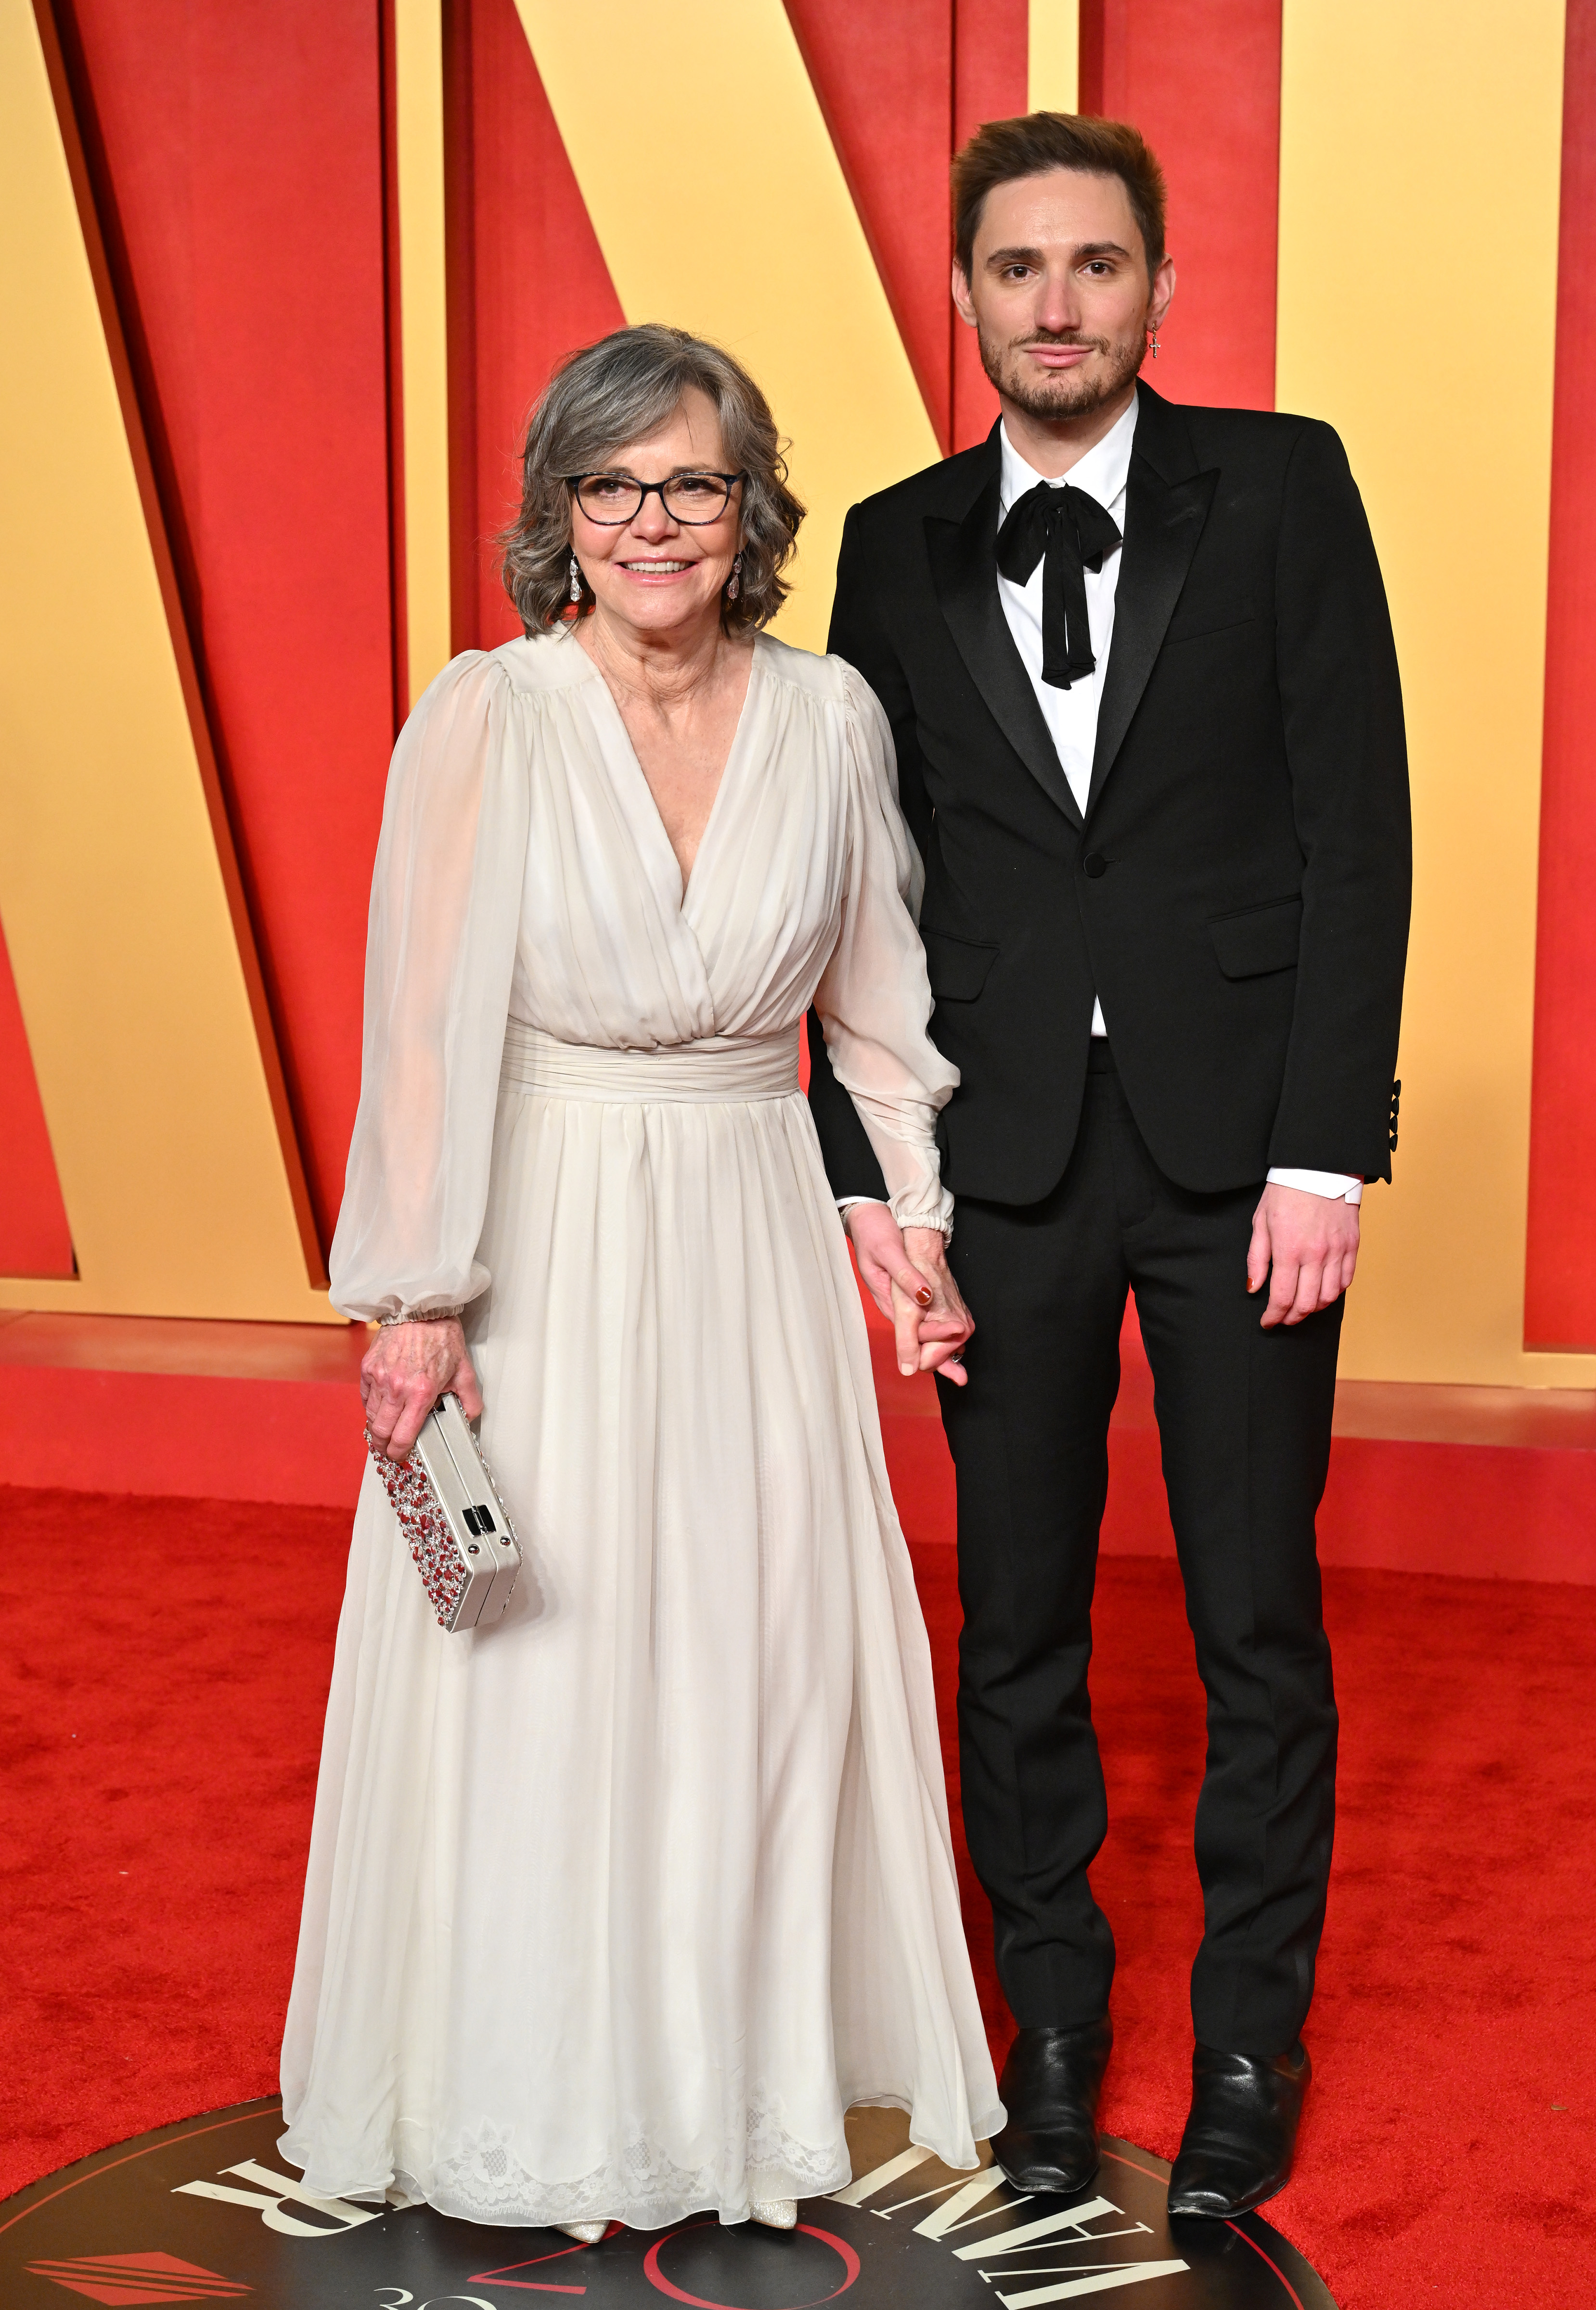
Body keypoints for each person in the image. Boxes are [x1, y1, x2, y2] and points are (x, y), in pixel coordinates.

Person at [278, 323, 1004, 2242]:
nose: (654, 523)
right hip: (554, 1234)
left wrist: (908, 1228)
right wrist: (421, 1294)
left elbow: (878, 1017)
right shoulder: (490, 717)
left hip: (752, 1230)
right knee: (560, 1669)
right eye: (612, 487)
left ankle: (728, 2099)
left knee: (752, 1666)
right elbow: (426, 1030)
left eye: (691, 482)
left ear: (747, 503)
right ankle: (551, 2101)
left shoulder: (833, 717)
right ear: (560, 516)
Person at [808, 111, 1410, 2219]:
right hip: (1002, 1168)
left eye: (1093, 265)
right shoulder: (887, 545)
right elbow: (853, 892)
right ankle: (1048, 2034)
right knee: (1020, 1630)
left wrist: (1329, 1150)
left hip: (1247, 1156)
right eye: (1014, 269)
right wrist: (875, 1182)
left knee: (1258, 1616)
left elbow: (1361, 828)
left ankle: (1253, 2034)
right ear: (964, 297)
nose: (1054, 304)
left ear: (1158, 287)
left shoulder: (1286, 483)